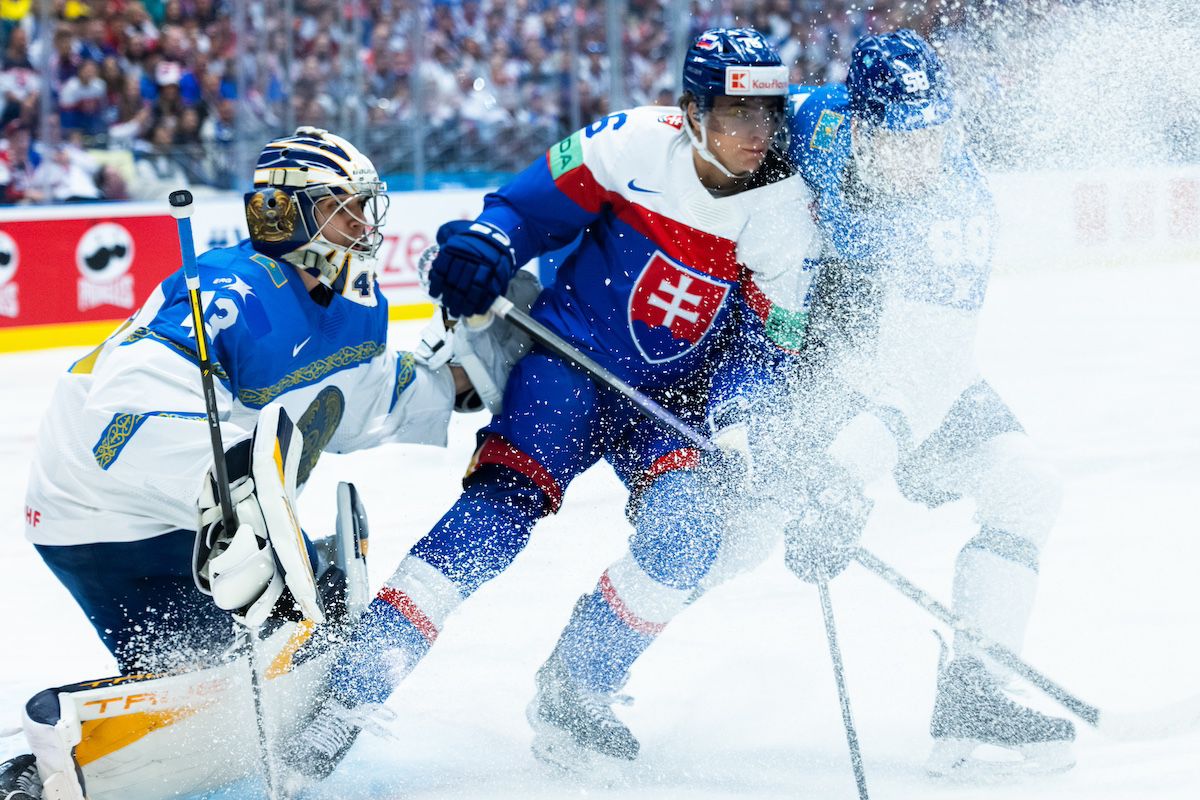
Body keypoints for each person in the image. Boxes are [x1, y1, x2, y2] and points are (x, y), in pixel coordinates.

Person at [283, 27, 819, 785]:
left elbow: (768, 348)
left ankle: (577, 687)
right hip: (569, 364)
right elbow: (521, 212)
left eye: (768, 117)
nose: (756, 136)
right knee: (492, 521)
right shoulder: (631, 142)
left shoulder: (789, 213)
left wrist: (742, 424)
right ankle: (348, 694)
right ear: (691, 111)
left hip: (674, 397)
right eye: (736, 117)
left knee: (690, 533)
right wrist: (485, 247)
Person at [2, 126, 536, 799]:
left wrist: (470, 370)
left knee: (244, 649)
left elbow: (362, 397)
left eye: (365, 206)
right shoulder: (227, 292)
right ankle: (67, 767)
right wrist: (226, 495)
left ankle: (137, 733)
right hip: (100, 516)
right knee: (281, 624)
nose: (363, 224)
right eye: (345, 205)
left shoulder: (351, 306)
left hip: (183, 518)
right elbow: (120, 418)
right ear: (288, 212)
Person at [774, 29, 1074, 776]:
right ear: (860, 122)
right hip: (808, 365)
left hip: (913, 379)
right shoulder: (808, 121)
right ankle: (589, 669)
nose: (925, 155)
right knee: (739, 526)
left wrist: (841, 477)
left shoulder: (961, 208)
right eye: (904, 139)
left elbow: (928, 380)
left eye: (935, 135)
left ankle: (973, 689)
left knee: (1026, 483)